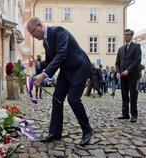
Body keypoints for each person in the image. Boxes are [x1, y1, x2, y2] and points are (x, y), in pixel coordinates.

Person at [27, 17, 92, 146]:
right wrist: (38, 64)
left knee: (73, 99)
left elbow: (61, 55)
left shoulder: (58, 32)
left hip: (79, 66)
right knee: (57, 98)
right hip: (66, 69)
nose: (33, 36)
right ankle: (55, 133)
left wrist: (44, 75)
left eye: (32, 32)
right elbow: (50, 60)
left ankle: (87, 131)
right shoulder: (46, 42)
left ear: (39, 26)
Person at [115, 29, 142, 123]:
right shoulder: (121, 49)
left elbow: (137, 60)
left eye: (127, 34)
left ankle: (134, 115)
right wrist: (118, 72)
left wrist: (128, 70)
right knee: (124, 94)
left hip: (132, 74)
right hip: (122, 75)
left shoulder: (136, 46)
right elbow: (117, 63)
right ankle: (125, 113)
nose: (125, 36)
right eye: (124, 35)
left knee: (133, 95)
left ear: (131, 36)